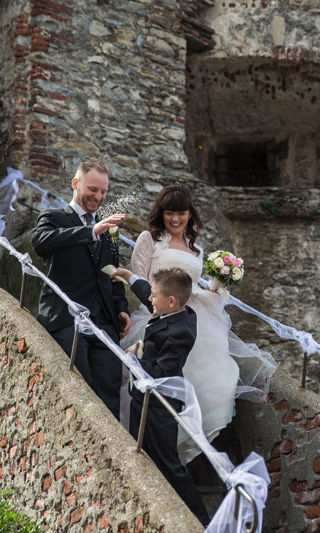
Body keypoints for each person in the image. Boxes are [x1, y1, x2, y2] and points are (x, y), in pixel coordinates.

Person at [121, 184, 274, 464]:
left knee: (219, 378)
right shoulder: (149, 239)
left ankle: (188, 445)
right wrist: (159, 308)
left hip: (194, 318)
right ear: (161, 214)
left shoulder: (197, 250)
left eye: (181, 213)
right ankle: (159, 445)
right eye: (169, 213)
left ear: (190, 214)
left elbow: (193, 285)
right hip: (159, 314)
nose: (175, 219)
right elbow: (139, 279)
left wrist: (216, 286)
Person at [31, 161, 129, 419]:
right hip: (65, 319)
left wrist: (121, 309)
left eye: (103, 192)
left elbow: (113, 274)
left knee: (110, 394)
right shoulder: (53, 217)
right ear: (75, 184)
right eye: (93, 189)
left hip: (105, 324)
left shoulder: (110, 230)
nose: (99, 197)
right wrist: (91, 231)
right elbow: (40, 243)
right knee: (78, 390)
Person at [118, 267, 210, 526]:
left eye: (154, 296)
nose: (149, 299)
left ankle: (202, 522)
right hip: (145, 398)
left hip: (161, 404)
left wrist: (134, 360)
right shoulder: (175, 308)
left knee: (168, 464)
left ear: (170, 301)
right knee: (142, 454)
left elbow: (161, 372)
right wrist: (129, 276)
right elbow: (153, 291)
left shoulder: (182, 332)